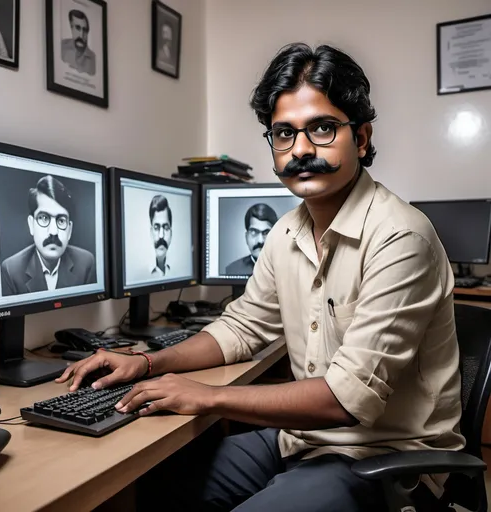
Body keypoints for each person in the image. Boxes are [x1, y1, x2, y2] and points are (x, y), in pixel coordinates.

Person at [56, 43, 463, 511]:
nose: (302, 149)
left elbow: (346, 401)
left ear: (363, 137)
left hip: (387, 459)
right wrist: (150, 364)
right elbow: (241, 328)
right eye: (284, 134)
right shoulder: (287, 230)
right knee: (154, 486)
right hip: (304, 442)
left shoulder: (401, 237)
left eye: (323, 128)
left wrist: (208, 398)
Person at [1, 175, 96, 296]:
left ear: (69, 230)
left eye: (61, 221)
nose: (53, 231)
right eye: (44, 218)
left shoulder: (86, 263)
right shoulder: (11, 270)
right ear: (31, 225)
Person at [225, 203, 278, 275]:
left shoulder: (288, 268)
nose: (260, 240)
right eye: (254, 232)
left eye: (266, 233)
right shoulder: (232, 270)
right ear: (246, 237)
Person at [61, 9, 96, 76]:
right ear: (71, 27)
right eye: (78, 28)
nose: (81, 34)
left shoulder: (93, 58)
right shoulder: (62, 46)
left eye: (85, 30)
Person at [149, 194, 172, 277]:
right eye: (156, 228)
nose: (161, 235)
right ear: (151, 232)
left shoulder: (181, 272)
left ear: (171, 233)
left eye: (166, 228)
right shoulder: (141, 274)